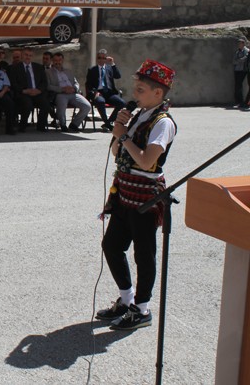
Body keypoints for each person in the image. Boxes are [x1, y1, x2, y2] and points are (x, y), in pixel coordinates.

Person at [96, 59, 177, 331]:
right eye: (136, 89)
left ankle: (142, 309)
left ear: (158, 93)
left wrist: (124, 136)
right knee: (111, 245)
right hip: (124, 192)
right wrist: (119, 132)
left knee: (144, 254)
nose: (135, 95)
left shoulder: (162, 122)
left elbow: (146, 161)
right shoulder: (139, 114)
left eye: (141, 90)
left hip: (146, 197)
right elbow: (115, 154)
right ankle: (126, 298)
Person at [45, 52, 91, 133]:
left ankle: (74, 124)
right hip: (60, 93)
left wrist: (74, 88)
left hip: (73, 93)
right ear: (52, 60)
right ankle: (63, 124)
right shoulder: (48, 72)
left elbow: (76, 82)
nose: (57, 62)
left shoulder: (68, 71)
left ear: (62, 61)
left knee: (87, 106)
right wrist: (62, 89)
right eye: (55, 60)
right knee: (62, 103)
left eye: (59, 60)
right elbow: (48, 86)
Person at [8, 47, 48, 132]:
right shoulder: (15, 68)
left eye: (30, 55)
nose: (28, 57)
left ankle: (41, 126)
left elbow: (44, 82)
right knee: (27, 104)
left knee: (45, 104)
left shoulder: (39, 67)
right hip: (23, 93)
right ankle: (22, 125)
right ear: (22, 55)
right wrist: (24, 90)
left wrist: (38, 90)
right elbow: (13, 83)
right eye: (26, 55)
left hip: (37, 92)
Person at [85, 49, 126, 131]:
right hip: (99, 92)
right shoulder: (92, 70)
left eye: (104, 58)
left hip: (109, 93)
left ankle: (108, 122)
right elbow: (88, 84)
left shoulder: (109, 68)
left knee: (122, 103)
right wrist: (94, 92)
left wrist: (113, 64)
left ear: (106, 59)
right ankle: (107, 123)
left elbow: (118, 76)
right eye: (99, 58)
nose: (101, 60)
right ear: (97, 59)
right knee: (100, 101)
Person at [233, 37, 249, 107]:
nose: (238, 44)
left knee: (239, 85)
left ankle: (242, 102)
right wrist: (239, 60)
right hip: (237, 70)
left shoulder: (246, 51)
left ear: (243, 43)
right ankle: (238, 101)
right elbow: (234, 60)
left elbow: (245, 59)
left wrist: (238, 60)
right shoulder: (238, 51)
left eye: (239, 43)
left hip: (243, 70)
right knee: (237, 85)